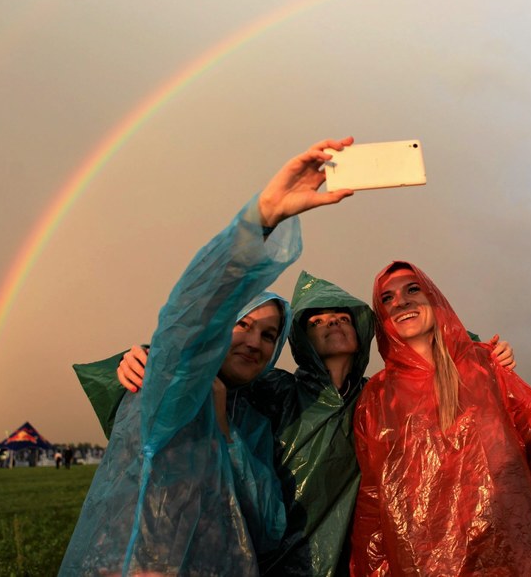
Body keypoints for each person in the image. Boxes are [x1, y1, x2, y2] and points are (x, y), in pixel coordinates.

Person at [60, 138, 355, 576]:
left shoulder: (252, 423)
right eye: (242, 324)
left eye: (269, 334)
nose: (255, 342)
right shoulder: (166, 387)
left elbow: (270, 526)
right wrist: (260, 220)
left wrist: (225, 433)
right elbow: (190, 318)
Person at [103, 274, 515, 577]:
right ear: (301, 340)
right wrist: (143, 357)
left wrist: (481, 352)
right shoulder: (277, 390)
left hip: (342, 562)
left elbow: (431, 360)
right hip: (264, 557)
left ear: (362, 328)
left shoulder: (378, 399)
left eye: (342, 318)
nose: (331, 324)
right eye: (317, 322)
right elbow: (216, 369)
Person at [351, 261, 531, 576]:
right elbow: (374, 493)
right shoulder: (377, 396)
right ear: (382, 317)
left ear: (435, 299)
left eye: (413, 289)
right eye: (387, 298)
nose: (401, 302)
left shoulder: (485, 367)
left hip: (518, 551)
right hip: (428, 563)